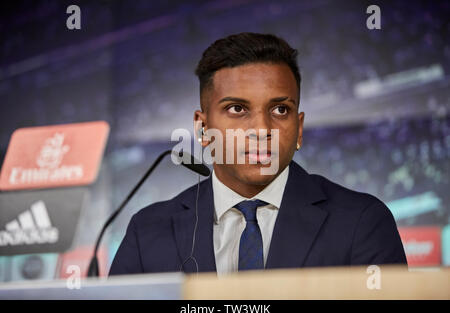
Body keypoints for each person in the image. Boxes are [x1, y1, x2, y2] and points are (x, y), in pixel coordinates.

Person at [109, 32, 407, 276]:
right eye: (237, 109)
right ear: (202, 128)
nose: (262, 129)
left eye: (280, 110)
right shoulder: (146, 232)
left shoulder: (362, 222)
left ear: (299, 128)